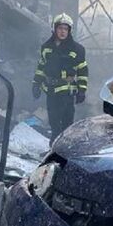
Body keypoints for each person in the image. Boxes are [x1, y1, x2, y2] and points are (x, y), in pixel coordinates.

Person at [32, 13, 88, 144]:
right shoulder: (46, 47)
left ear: (69, 31)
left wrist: (82, 90)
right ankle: (55, 147)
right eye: (60, 28)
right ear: (54, 29)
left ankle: (64, 148)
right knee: (54, 123)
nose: (63, 32)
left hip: (67, 92)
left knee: (67, 124)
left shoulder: (77, 49)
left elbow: (82, 70)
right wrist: (36, 84)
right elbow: (41, 67)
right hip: (51, 90)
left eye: (66, 29)